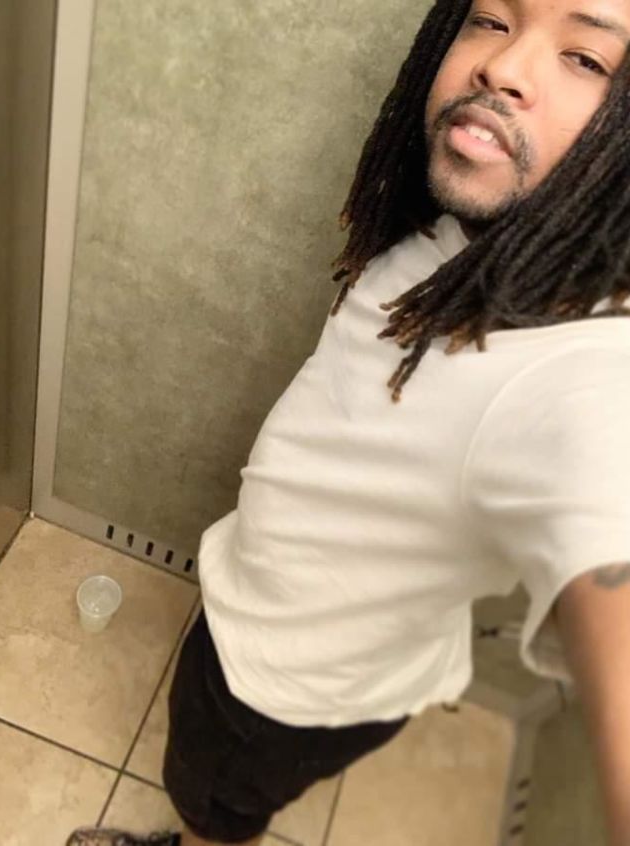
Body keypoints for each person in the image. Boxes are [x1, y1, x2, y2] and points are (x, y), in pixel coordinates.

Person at [67, 0, 630, 844]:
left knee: (209, 806)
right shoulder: (461, 230)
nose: (503, 66)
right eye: (491, 18)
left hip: (280, 694)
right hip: (286, 629)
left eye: (586, 59)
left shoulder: (575, 368)